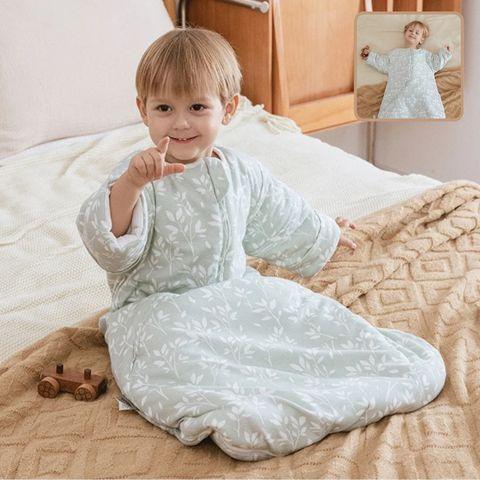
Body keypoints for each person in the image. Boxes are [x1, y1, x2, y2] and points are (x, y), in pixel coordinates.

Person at [76, 27, 446, 461]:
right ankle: (241, 410)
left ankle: (352, 377)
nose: (180, 122)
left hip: (235, 295)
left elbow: (279, 211)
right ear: (143, 110)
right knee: (172, 350)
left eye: (197, 106)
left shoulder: (238, 171)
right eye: (164, 108)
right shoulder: (136, 175)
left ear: (228, 108)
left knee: (298, 312)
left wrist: (323, 230)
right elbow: (109, 241)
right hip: (159, 308)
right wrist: (132, 184)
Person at [360, 20, 453, 119]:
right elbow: (382, 62)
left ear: (421, 40)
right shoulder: (395, 54)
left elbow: (437, 63)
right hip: (400, 93)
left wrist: (445, 53)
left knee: (431, 110)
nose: (413, 33)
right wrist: (369, 56)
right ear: (405, 33)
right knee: (393, 111)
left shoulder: (425, 55)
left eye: (417, 33)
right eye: (410, 30)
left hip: (422, 92)